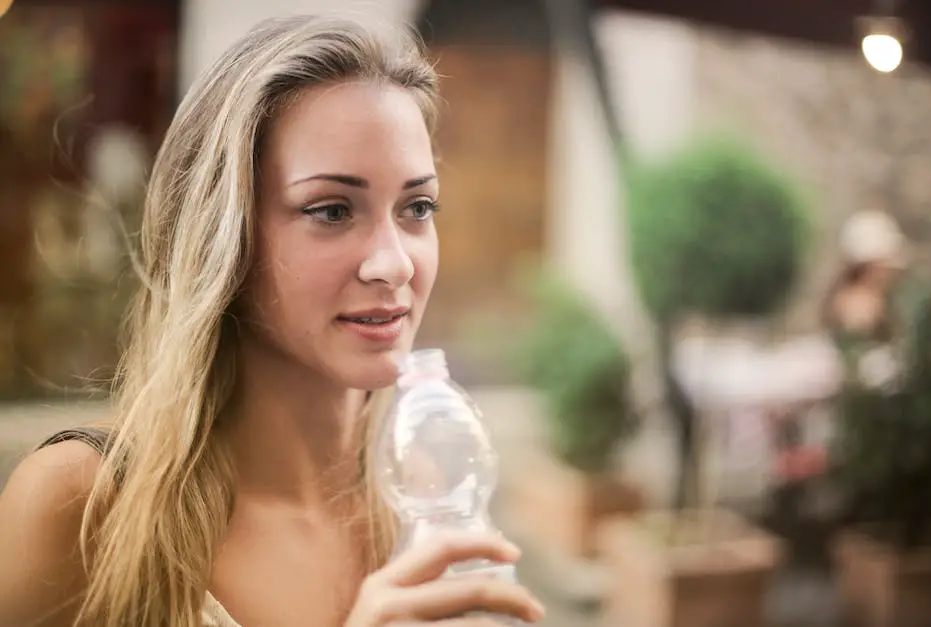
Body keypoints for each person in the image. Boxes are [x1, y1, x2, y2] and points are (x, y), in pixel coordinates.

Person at [0, 15, 545, 627]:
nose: (394, 263)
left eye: (417, 207)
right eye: (333, 210)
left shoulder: (424, 491)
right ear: (224, 234)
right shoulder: (78, 506)